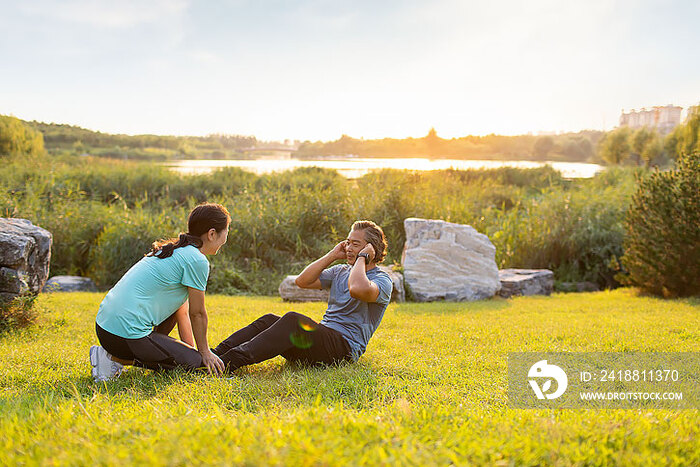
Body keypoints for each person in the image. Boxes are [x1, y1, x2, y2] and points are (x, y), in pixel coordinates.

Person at [211, 220, 393, 372]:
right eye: (348, 242)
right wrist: (332, 255)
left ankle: (226, 363)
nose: (349, 248)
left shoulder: (382, 280)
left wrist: (362, 258)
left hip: (344, 350)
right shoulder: (340, 271)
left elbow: (357, 289)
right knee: (268, 320)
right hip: (321, 343)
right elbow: (302, 281)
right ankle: (214, 355)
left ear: (372, 249)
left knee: (293, 320)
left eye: (355, 244)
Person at [89, 202, 231, 382]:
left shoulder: (176, 249)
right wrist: (203, 353)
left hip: (106, 328)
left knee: (192, 360)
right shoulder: (196, 260)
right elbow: (198, 314)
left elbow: (182, 312)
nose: (226, 237)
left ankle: (120, 354)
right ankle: (110, 358)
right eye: (226, 230)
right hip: (123, 336)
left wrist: (190, 351)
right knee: (195, 364)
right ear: (212, 234)